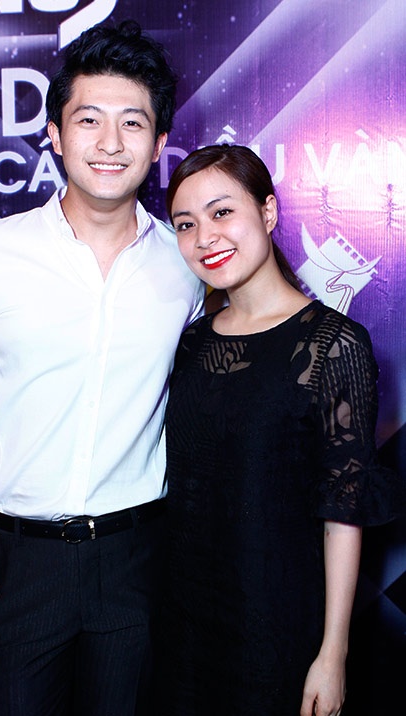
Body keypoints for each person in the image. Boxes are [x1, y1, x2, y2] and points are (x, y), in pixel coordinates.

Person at [0, 20, 204, 716]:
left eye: (132, 122)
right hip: (16, 564)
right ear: (54, 133)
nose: (110, 142)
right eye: (89, 119)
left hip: (136, 559)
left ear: (159, 143)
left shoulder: (187, 265)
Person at [159, 144, 401, 716]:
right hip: (180, 622)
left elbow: (343, 512)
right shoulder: (191, 342)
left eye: (222, 212)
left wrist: (332, 653)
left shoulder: (334, 343)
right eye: (186, 225)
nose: (205, 238)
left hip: (275, 623)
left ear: (268, 212)